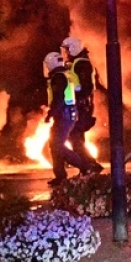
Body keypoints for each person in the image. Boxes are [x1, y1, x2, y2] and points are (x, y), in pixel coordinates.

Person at [44, 51, 88, 187]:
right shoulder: (66, 75)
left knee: (57, 145)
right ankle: (60, 176)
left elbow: (59, 98)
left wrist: (50, 114)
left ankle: (84, 166)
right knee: (54, 144)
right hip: (68, 114)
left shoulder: (58, 78)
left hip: (63, 115)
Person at [61, 36, 103, 174]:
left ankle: (90, 165)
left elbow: (85, 87)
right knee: (77, 137)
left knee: (74, 137)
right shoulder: (78, 63)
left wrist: (78, 103)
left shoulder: (81, 64)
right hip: (81, 105)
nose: (64, 54)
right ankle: (87, 168)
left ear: (73, 49)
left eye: (66, 50)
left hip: (81, 106)